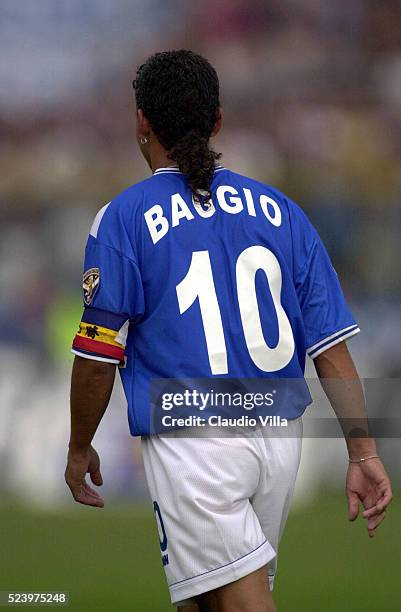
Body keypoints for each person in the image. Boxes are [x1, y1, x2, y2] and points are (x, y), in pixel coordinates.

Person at [65, 50, 392, 612]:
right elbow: (330, 347)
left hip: (193, 432)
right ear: (217, 121)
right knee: (204, 601)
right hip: (278, 436)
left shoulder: (122, 218)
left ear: (141, 120)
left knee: (241, 603)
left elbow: (97, 354)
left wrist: (77, 446)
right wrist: (362, 451)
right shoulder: (283, 212)